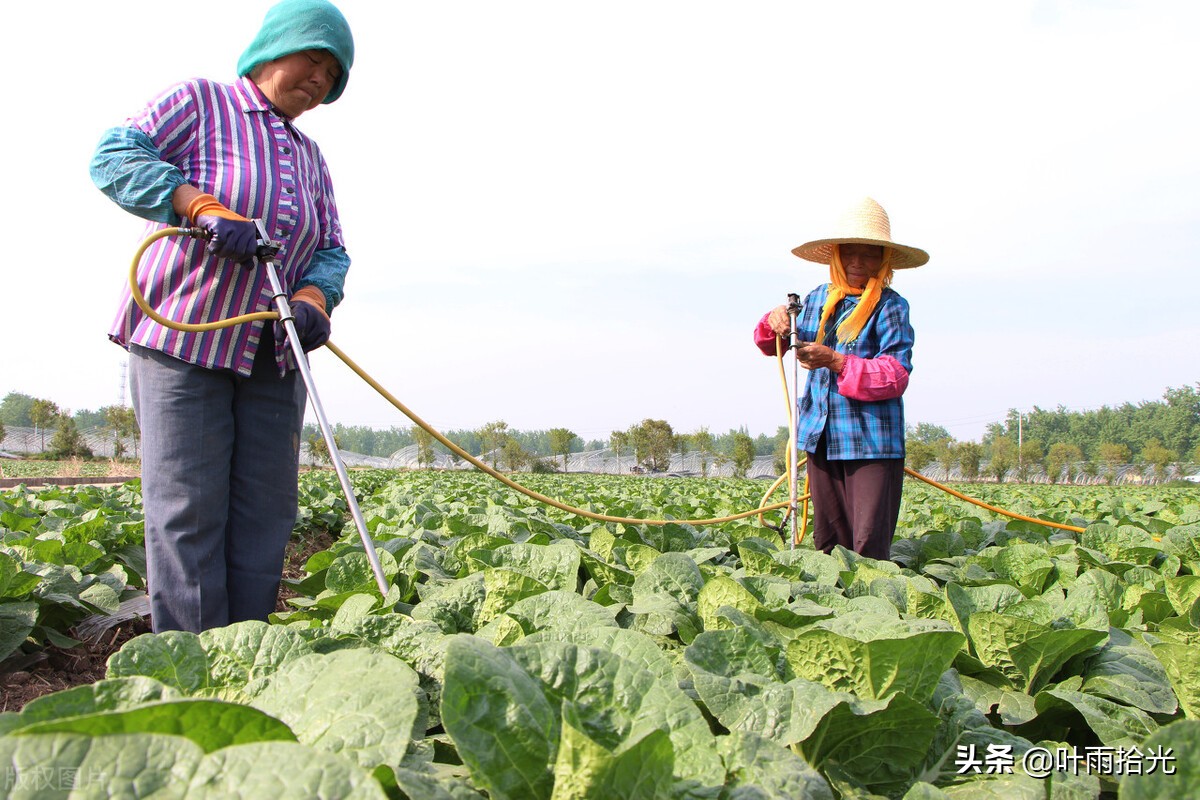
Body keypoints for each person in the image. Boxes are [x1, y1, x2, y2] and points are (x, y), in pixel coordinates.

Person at [89, 0, 355, 633]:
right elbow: (114, 155)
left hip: (273, 353)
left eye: (331, 77)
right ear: (272, 49)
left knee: (266, 511)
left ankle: (246, 656)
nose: (316, 81)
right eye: (310, 61)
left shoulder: (310, 156)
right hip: (185, 336)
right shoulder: (202, 103)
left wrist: (315, 300)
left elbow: (332, 249)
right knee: (188, 509)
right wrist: (199, 206)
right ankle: (190, 668)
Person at [753, 197, 928, 560]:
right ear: (836, 255)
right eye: (849, 252)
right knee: (829, 542)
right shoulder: (816, 300)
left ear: (884, 260)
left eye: (868, 254)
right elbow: (770, 343)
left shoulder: (891, 306)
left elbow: (895, 375)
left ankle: (871, 609)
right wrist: (775, 320)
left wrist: (835, 360)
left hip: (872, 442)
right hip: (821, 437)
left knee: (866, 547)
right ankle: (832, 613)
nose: (857, 263)